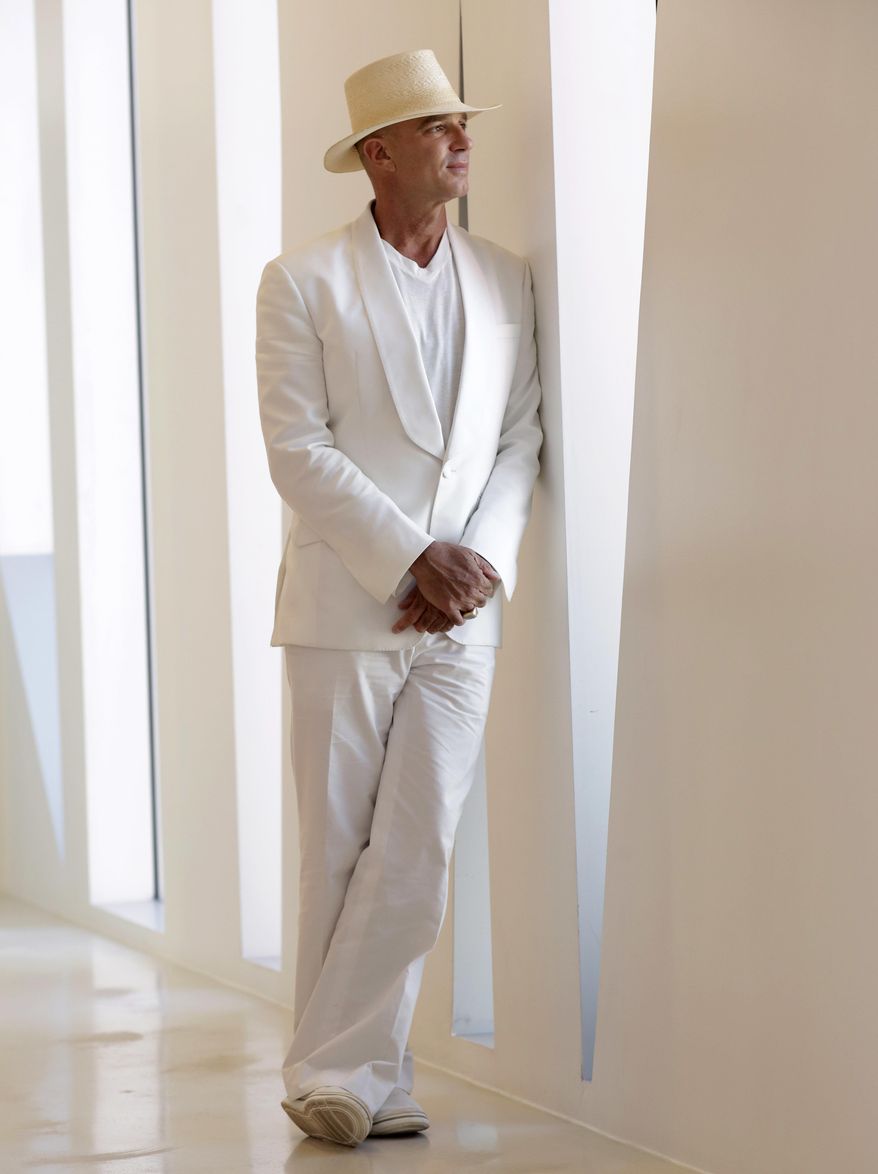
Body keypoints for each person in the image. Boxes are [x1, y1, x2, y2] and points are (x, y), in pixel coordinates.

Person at [255, 47, 543, 1147]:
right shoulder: (301, 281)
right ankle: (367, 1075)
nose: (460, 138)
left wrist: (472, 564)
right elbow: (296, 448)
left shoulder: (506, 276)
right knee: (335, 851)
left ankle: (342, 1069)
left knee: (417, 845)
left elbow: (520, 441)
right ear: (377, 154)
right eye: (435, 127)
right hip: (344, 605)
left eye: (460, 122)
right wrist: (410, 553)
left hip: (460, 613)